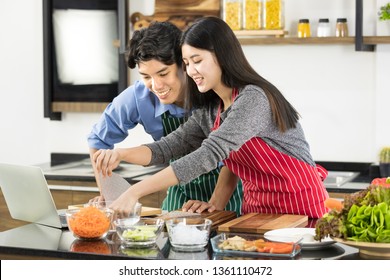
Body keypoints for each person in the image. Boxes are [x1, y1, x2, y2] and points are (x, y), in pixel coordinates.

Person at [93, 16, 329, 219]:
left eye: (197, 61)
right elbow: (167, 148)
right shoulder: (210, 110)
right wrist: (121, 154)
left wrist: (135, 191)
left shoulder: (253, 98)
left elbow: (209, 154)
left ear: (222, 56)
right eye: (187, 63)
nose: (191, 71)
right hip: (257, 211)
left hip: (300, 206)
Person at [87, 21, 242, 214]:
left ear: (183, 64)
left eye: (163, 73)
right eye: (146, 76)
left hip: (228, 191)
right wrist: (107, 193)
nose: (156, 85)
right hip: (180, 190)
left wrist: (215, 204)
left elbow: (230, 151)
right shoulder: (138, 97)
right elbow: (100, 140)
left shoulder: (213, 90)